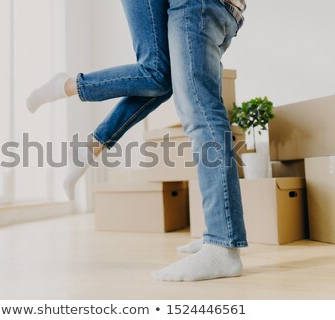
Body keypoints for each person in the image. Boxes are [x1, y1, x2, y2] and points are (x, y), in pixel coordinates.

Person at [27, 0, 248, 282]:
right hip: (225, 9)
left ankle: (221, 244)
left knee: (188, 102)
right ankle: (219, 236)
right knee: (161, 79)